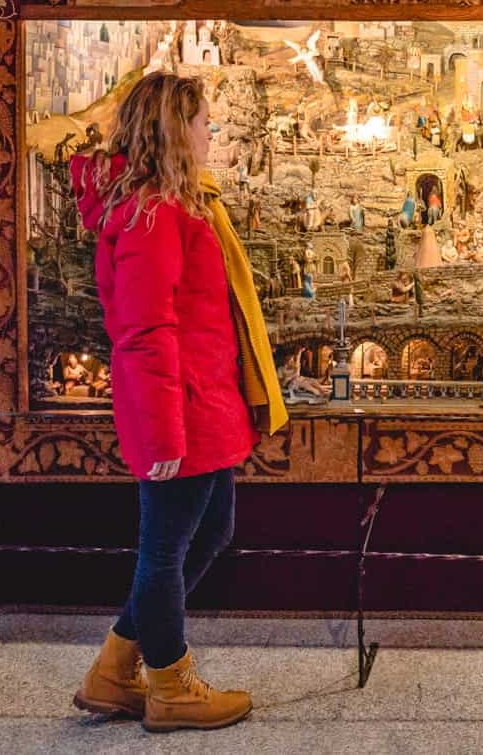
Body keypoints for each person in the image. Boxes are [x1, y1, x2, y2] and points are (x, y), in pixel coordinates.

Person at [69, 71, 288, 733]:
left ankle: (114, 669)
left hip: (203, 399)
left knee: (211, 529)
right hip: (181, 409)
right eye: (203, 121)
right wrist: (164, 434)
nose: (210, 131)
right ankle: (169, 683)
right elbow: (145, 327)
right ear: (174, 130)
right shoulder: (153, 214)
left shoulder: (177, 204)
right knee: (164, 550)